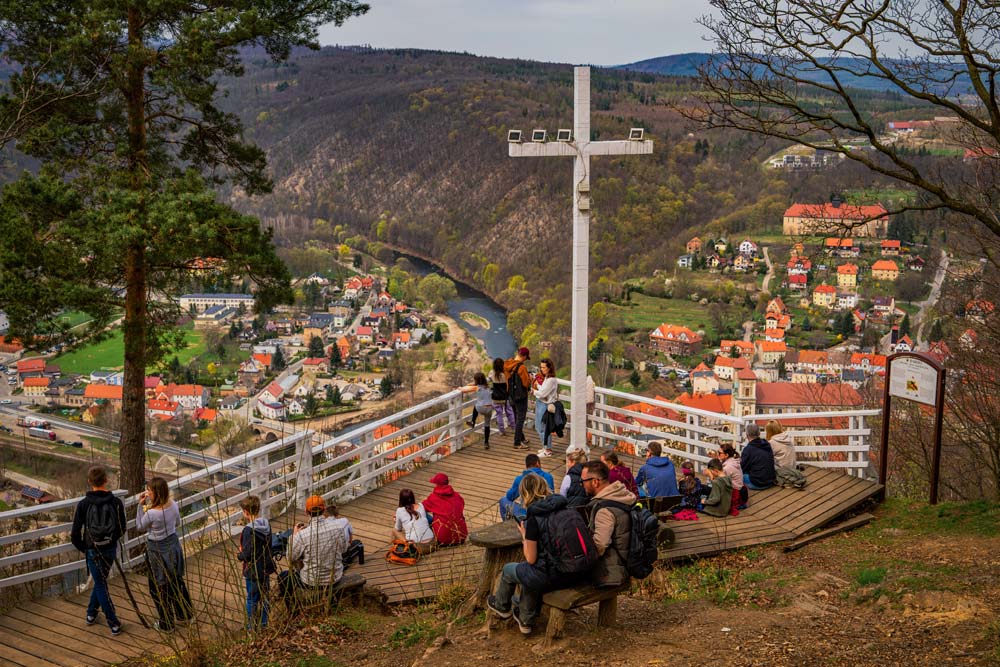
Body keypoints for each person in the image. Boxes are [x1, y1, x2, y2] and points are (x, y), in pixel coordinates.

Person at [486, 474, 582, 635]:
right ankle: (524, 618)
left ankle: (502, 607)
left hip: (555, 575)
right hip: (576, 571)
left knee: (513, 570)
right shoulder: (566, 508)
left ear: (525, 494)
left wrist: (525, 536)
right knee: (532, 572)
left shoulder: (534, 519)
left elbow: (531, 559)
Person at [71, 465, 127, 635]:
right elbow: (122, 528)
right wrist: (110, 542)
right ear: (106, 480)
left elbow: (75, 534)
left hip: (92, 551)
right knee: (100, 581)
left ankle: (113, 623)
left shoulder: (84, 504)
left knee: (100, 583)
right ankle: (91, 614)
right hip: (109, 550)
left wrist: (86, 548)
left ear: (89, 482)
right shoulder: (116, 503)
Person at [136, 477, 193, 633]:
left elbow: (140, 526)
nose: (147, 492)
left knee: (158, 587)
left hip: (157, 550)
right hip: (173, 545)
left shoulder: (153, 513)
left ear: (156, 493)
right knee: (176, 580)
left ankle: (166, 623)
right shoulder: (173, 505)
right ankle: (185, 614)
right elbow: (177, 524)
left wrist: (140, 507)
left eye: (149, 490)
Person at [279, 494, 348, 609]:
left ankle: (293, 610)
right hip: (335, 577)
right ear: (324, 509)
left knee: (283, 577)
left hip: (312, 582)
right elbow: (344, 549)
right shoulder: (338, 527)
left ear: (306, 512)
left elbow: (290, 557)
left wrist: (294, 535)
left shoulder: (302, 535)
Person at [581, 460, 636, 588]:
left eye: (583, 481)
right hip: (628, 561)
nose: (582, 485)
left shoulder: (604, 510)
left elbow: (599, 546)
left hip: (611, 572)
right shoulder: (623, 494)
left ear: (595, 482)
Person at [236, 495, 275, 630]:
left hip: (253, 570)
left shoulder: (248, 530)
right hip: (265, 567)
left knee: (252, 598)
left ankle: (251, 626)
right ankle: (264, 623)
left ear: (246, 512)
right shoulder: (266, 524)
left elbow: (247, 554)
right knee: (265, 597)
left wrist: (239, 554)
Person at [499, 453, 555, 520]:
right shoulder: (548, 477)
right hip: (546, 512)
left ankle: (507, 525)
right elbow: (551, 496)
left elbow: (510, 496)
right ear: (538, 463)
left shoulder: (520, 479)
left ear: (527, 466)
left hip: (526, 514)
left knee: (503, 500)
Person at [422, 473, 468, 546]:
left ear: (437, 484)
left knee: (424, 514)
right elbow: (461, 506)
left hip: (443, 540)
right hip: (461, 536)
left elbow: (421, 507)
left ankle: (427, 538)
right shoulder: (457, 496)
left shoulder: (433, 498)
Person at [504, 347, 533, 450]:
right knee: (520, 419)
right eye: (526, 358)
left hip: (511, 395)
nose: (525, 360)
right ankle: (517, 442)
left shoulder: (507, 364)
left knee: (516, 417)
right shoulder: (521, 368)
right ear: (524, 356)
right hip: (521, 396)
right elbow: (525, 383)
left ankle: (522, 438)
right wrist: (530, 379)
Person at [392, 488, 436, 553]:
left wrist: (395, 520)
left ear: (401, 500)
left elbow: (398, 529)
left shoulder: (399, 510)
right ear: (413, 497)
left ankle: (399, 549)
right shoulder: (421, 505)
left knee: (394, 530)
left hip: (418, 548)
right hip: (432, 544)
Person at [459, 372, 494, 449]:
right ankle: (486, 443)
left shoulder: (476, 388)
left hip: (480, 409)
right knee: (487, 425)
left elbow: (464, 390)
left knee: (476, 405)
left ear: (476, 380)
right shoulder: (488, 386)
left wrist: (460, 388)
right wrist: (473, 384)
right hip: (489, 408)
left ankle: (473, 422)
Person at [532, 358, 559, 457]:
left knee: (543, 427)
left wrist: (533, 391)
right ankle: (545, 447)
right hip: (541, 403)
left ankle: (548, 449)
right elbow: (543, 389)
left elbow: (543, 394)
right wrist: (538, 386)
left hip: (544, 404)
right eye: (541, 367)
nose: (541, 369)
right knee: (539, 426)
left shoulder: (551, 380)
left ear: (549, 368)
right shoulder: (547, 378)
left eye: (544, 367)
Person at [325, 503, 364, 567]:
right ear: (337, 514)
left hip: (330, 554)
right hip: (343, 551)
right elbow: (351, 536)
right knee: (358, 542)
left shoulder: (323, 525)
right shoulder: (344, 520)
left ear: (326, 514)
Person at [740, 423, 776, 490]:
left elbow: (742, 468)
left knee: (737, 475)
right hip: (770, 481)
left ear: (747, 435)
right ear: (759, 433)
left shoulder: (748, 449)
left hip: (758, 483)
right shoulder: (766, 444)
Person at [489, 357, 514, 436]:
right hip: (505, 397)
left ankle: (501, 431)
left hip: (496, 398)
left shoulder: (492, 373)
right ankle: (514, 428)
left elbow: (489, 379)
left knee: (499, 414)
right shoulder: (505, 374)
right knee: (510, 413)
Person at [718, 443, 747, 509]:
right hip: (740, 489)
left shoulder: (727, 467)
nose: (718, 454)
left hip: (735, 493)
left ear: (726, 455)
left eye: (720, 453)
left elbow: (720, 482)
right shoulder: (734, 461)